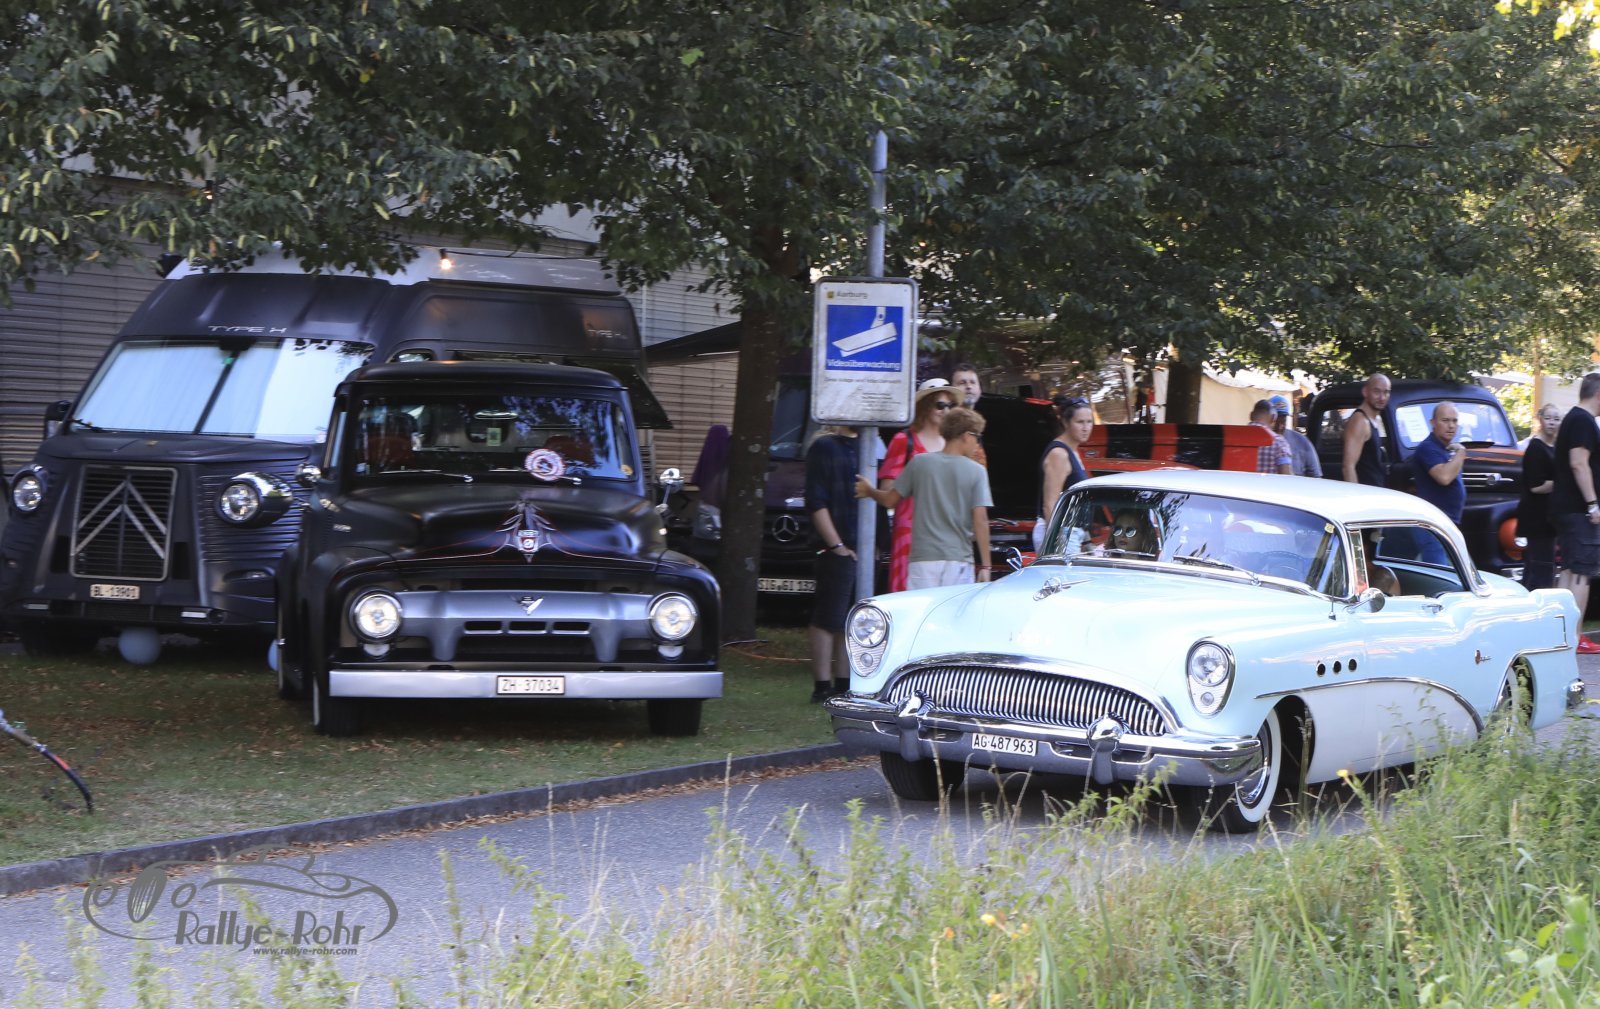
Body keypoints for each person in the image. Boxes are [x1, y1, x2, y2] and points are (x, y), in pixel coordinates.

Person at [856, 406, 993, 589]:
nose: (977, 444)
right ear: (966, 436)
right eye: (977, 437)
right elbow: (980, 519)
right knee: (953, 608)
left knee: (922, 607)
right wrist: (986, 566)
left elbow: (890, 500)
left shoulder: (919, 462)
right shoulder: (977, 471)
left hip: (923, 559)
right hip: (959, 559)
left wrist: (869, 490)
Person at [878, 378, 955, 592]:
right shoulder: (904, 440)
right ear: (925, 406)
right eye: (940, 405)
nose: (946, 411)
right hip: (911, 531)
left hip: (946, 534)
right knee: (909, 595)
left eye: (950, 406)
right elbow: (886, 490)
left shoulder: (953, 443)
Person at [804, 424, 860, 702]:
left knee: (853, 618)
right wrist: (836, 545)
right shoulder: (825, 446)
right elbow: (816, 500)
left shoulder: (873, 447)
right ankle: (822, 686)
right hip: (837, 546)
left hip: (864, 549)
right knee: (829, 616)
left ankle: (844, 683)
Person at [1552, 373, 1600, 651]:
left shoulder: (1572, 418)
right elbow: (1579, 463)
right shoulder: (1583, 421)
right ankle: (1575, 635)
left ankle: (1559, 632)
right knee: (1582, 572)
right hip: (1579, 510)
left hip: (1566, 508)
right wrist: (1592, 503)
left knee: (1569, 571)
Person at [1033, 395, 1093, 551]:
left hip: (1071, 531)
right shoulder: (1059, 453)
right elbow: (1049, 505)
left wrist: (1086, 542)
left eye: (1089, 421)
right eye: (1080, 422)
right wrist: (1054, 544)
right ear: (1066, 423)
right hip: (1059, 532)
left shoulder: (1073, 452)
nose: (1086, 427)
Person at [1518, 404, 1562, 591]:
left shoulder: (1555, 447)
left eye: (1556, 419)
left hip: (1550, 518)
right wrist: (1562, 483)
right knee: (1541, 569)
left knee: (1539, 566)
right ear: (1540, 420)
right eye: (1548, 418)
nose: (1552, 423)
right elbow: (1535, 486)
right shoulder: (1535, 448)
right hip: (1537, 519)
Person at [1411, 401, 1467, 526]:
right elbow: (1444, 477)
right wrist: (1461, 452)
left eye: (1454, 421)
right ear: (1433, 423)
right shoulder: (1427, 447)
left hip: (1446, 521)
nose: (1451, 426)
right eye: (1445, 420)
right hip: (1433, 522)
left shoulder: (1447, 449)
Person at [1341, 373, 1392, 485]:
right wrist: (1356, 494)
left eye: (1386, 392)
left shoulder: (1373, 420)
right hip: (1364, 492)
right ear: (1365, 392)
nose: (1382, 398)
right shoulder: (1360, 421)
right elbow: (1348, 467)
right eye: (1376, 392)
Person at [1269, 395, 1322, 478]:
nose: (1279, 426)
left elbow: (1315, 475)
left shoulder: (1301, 441)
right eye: (1275, 421)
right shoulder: (1259, 442)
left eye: (1283, 421)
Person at [1249, 400, 1294, 474]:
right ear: (1273, 418)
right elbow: (1286, 476)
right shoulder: (1279, 442)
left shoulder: (1233, 437)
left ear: (1251, 415)